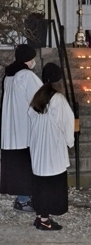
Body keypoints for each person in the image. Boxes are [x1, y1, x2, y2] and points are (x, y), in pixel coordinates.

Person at [28, 62, 74, 231]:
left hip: (39, 146)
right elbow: (67, 122)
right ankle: (45, 220)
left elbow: (31, 118)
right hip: (52, 148)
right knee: (50, 184)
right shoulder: (58, 99)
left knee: (40, 182)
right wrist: (69, 142)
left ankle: (40, 216)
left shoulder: (37, 96)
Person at [0, 44, 42, 212]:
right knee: (25, 163)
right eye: (33, 58)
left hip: (11, 127)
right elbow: (40, 98)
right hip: (24, 126)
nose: (34, 61)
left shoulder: (9, 75)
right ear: (28, 59)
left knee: (17, 163)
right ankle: (24, 199)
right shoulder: (26, 76)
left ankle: (22, 197)